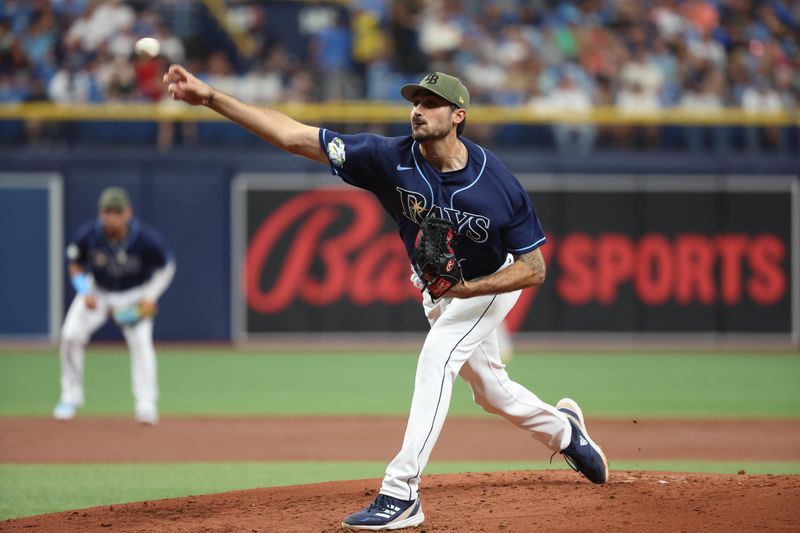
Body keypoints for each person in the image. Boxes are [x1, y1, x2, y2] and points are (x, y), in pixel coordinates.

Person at [164, 65, 607, 530]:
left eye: (430, 103)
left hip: (487, 286)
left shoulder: (497, 183)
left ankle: (401, 491)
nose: (418, 110)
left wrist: (468, 290)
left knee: (437, 357)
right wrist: (212, 97)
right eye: (415, 102)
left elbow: (534, 268)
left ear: (458, 115)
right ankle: (564, 430)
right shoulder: (387, 158)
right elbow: (295, 136)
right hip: (439, 292)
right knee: (492, 393)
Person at [53, 187, 176, 426]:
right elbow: (75, 263)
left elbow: (167, 266)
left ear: (127, 213)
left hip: (133, 295)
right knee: (70, 336)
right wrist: (83, 289)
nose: (111, 217)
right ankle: (70, 397)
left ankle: (146, 404)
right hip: (98, 292)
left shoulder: (144, 238)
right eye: (106, 212)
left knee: (142, 345)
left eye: (116, 212)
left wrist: (151, 295)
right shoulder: (89, 235)